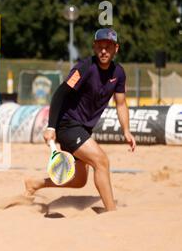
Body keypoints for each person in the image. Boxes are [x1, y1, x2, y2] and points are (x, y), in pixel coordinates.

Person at [24, 28, 136, 212]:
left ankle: (35, 183)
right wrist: (51, 127)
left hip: (83, 129)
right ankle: (112, 213)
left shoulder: (119, 73)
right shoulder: (84, 68)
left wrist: (126, 130)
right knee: (102, 161)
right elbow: (60, 93)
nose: (103, 51)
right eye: (100, 46)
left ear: (116, 48)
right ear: (94, 47)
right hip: (68, 125)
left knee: (79, 181)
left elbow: (121, 104)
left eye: (108, 47)